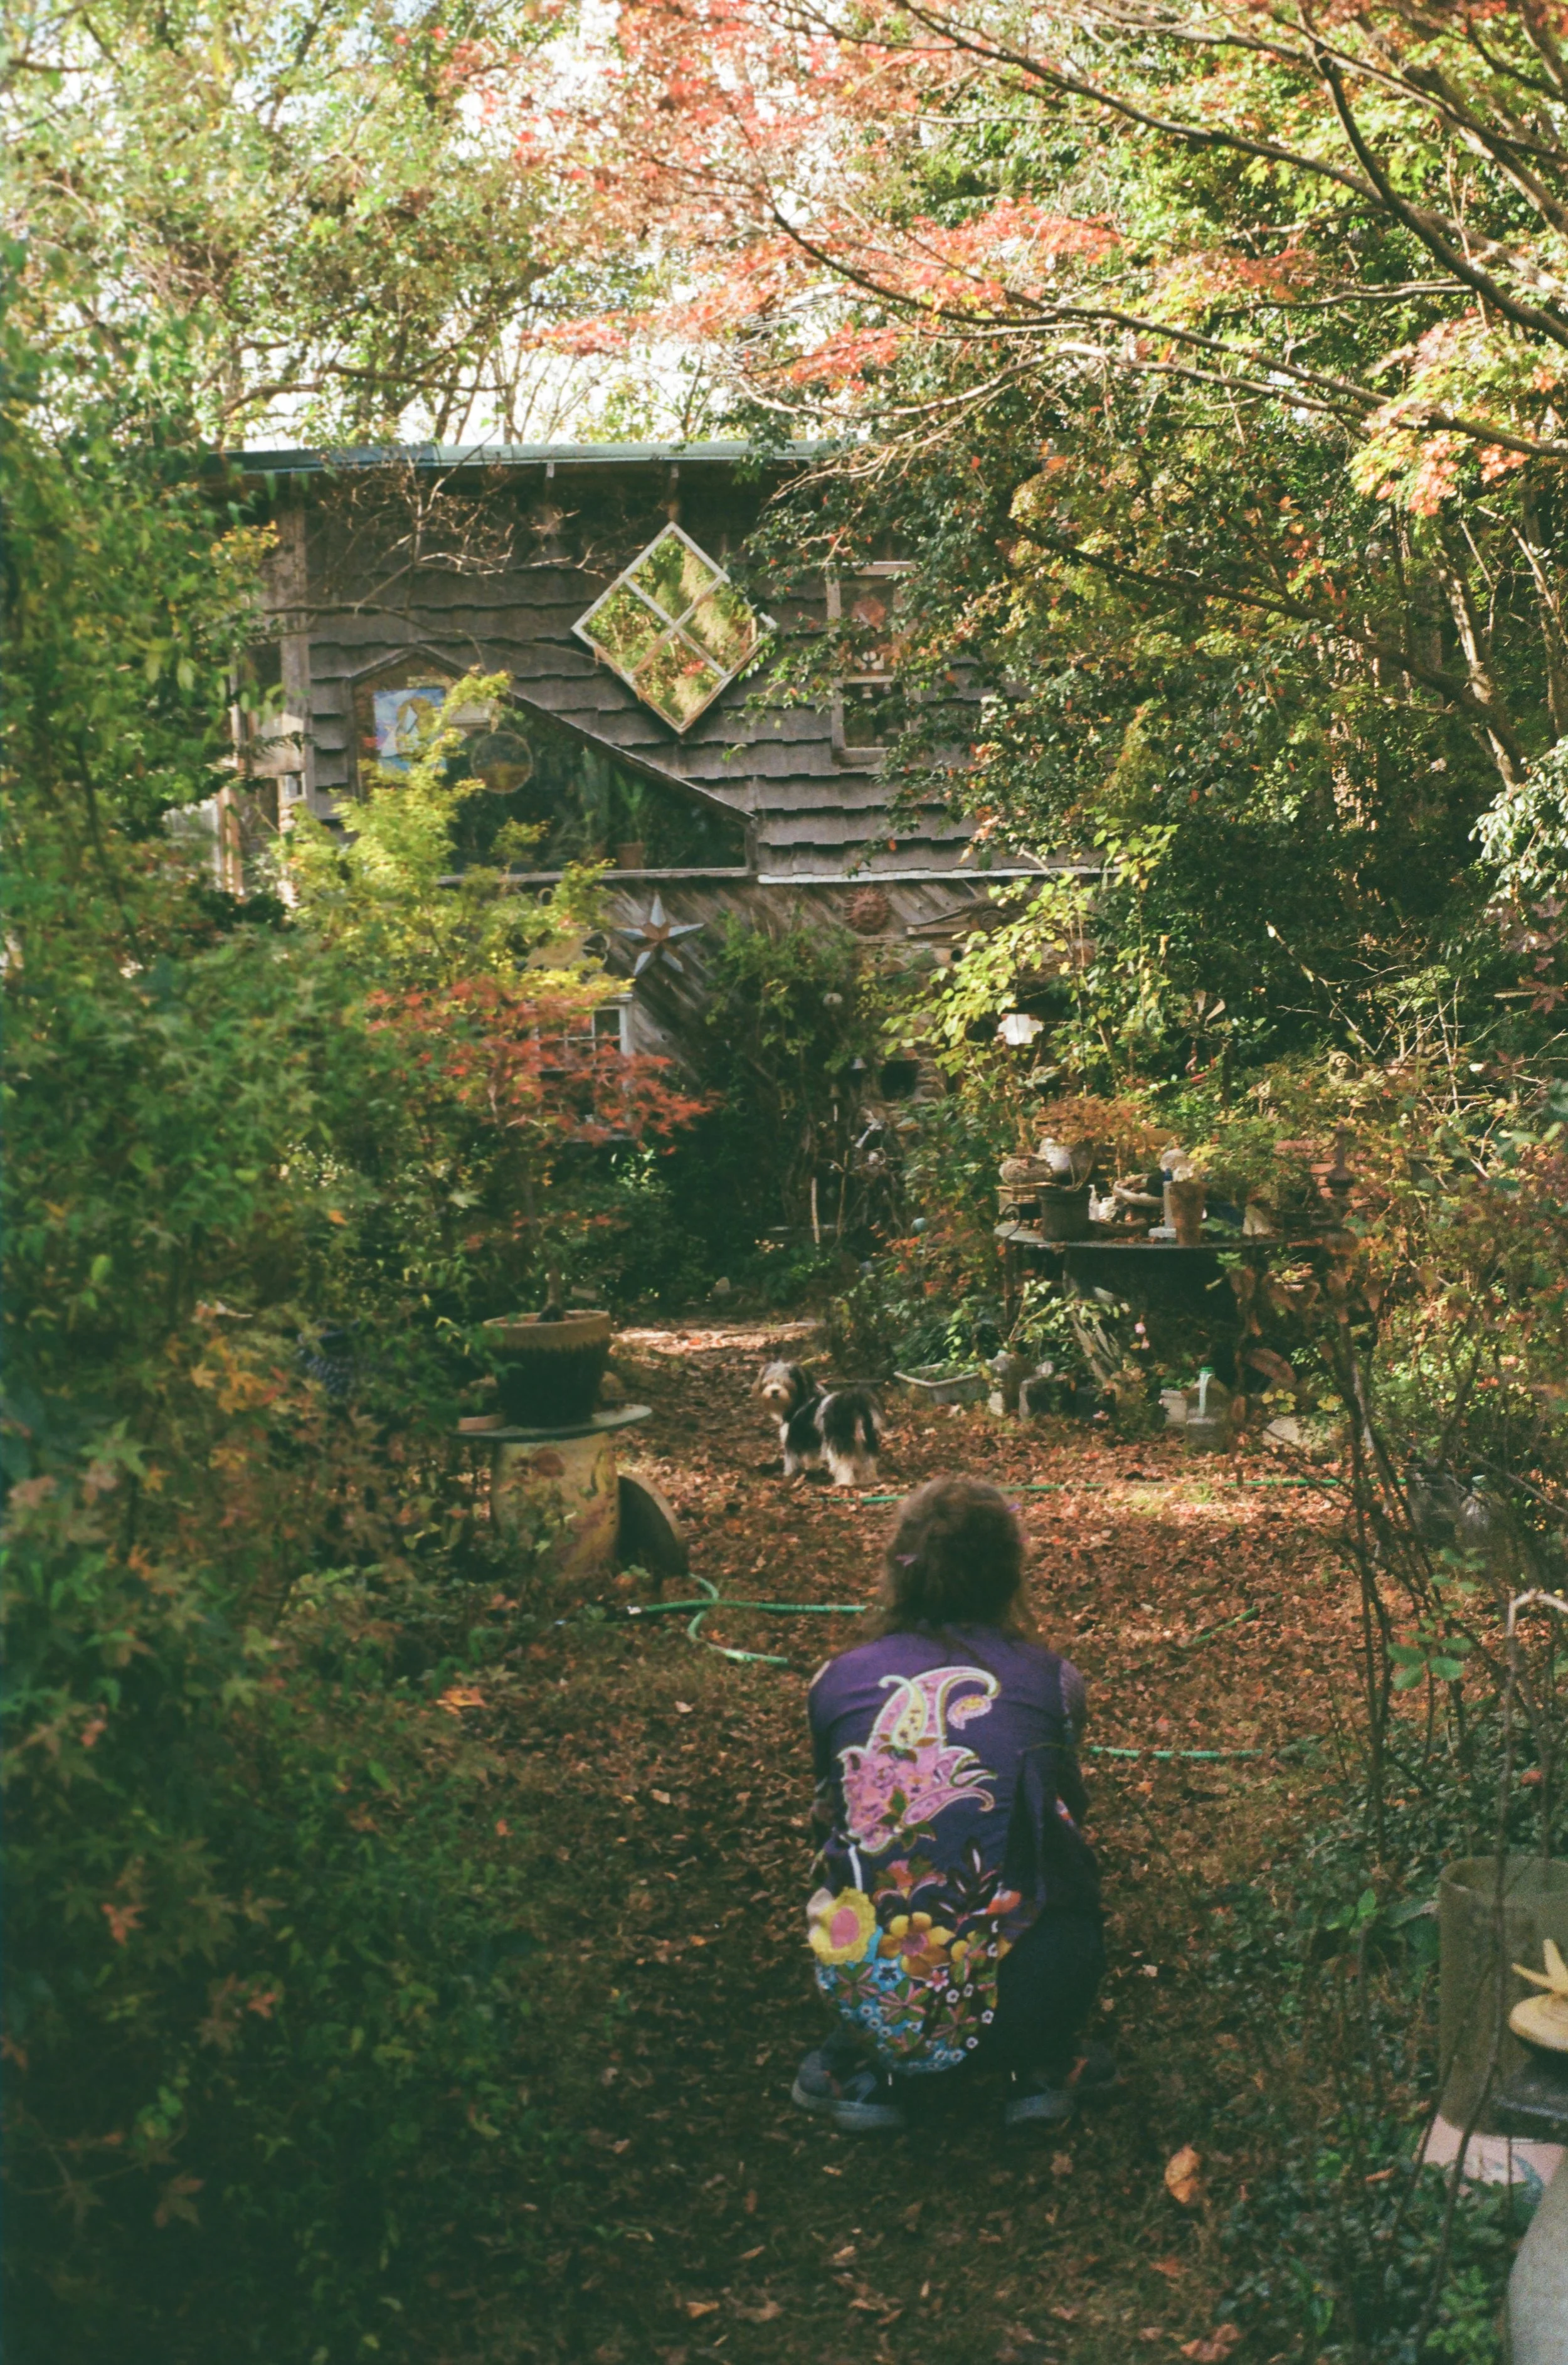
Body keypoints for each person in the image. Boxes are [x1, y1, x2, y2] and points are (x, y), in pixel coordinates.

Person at [792, 1475, 1112, 2133]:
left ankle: (862, 2065)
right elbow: (1068, 1813)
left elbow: (830, 1817)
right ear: (1009, 1576)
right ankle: (1040, 2064)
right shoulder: (1054, 1680)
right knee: (1056, 1853)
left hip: (869, 1993)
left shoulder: (831, 1681)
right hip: (1030, 1997)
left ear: (897, 1572)